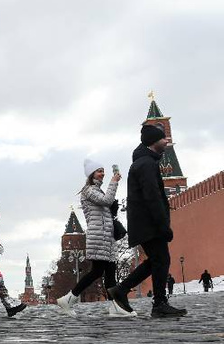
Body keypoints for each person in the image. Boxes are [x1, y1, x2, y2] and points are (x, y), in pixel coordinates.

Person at [107, 124, 187, 318]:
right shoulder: (146, 164)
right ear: (154, 142)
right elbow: (152, 197)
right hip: (149, 224)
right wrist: (163, 225)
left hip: (144, 223)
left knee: (156, 260)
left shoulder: (144, 162)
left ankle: (122, 289)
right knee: (161, 259)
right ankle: (159, 303)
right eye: (163, 138)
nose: (167, 141)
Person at [57, 162, 135, 318]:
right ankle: (68, 298)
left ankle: (115, 306)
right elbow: (105, 200)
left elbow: (105, 206)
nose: (103, 174)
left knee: (110, 272)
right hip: (98, 236)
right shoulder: (89, 191)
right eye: (99, 171)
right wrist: (114, 182)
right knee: (97, 271)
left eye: (103, 171)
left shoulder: (97, 190)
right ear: (91, 174)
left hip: (106, 236)